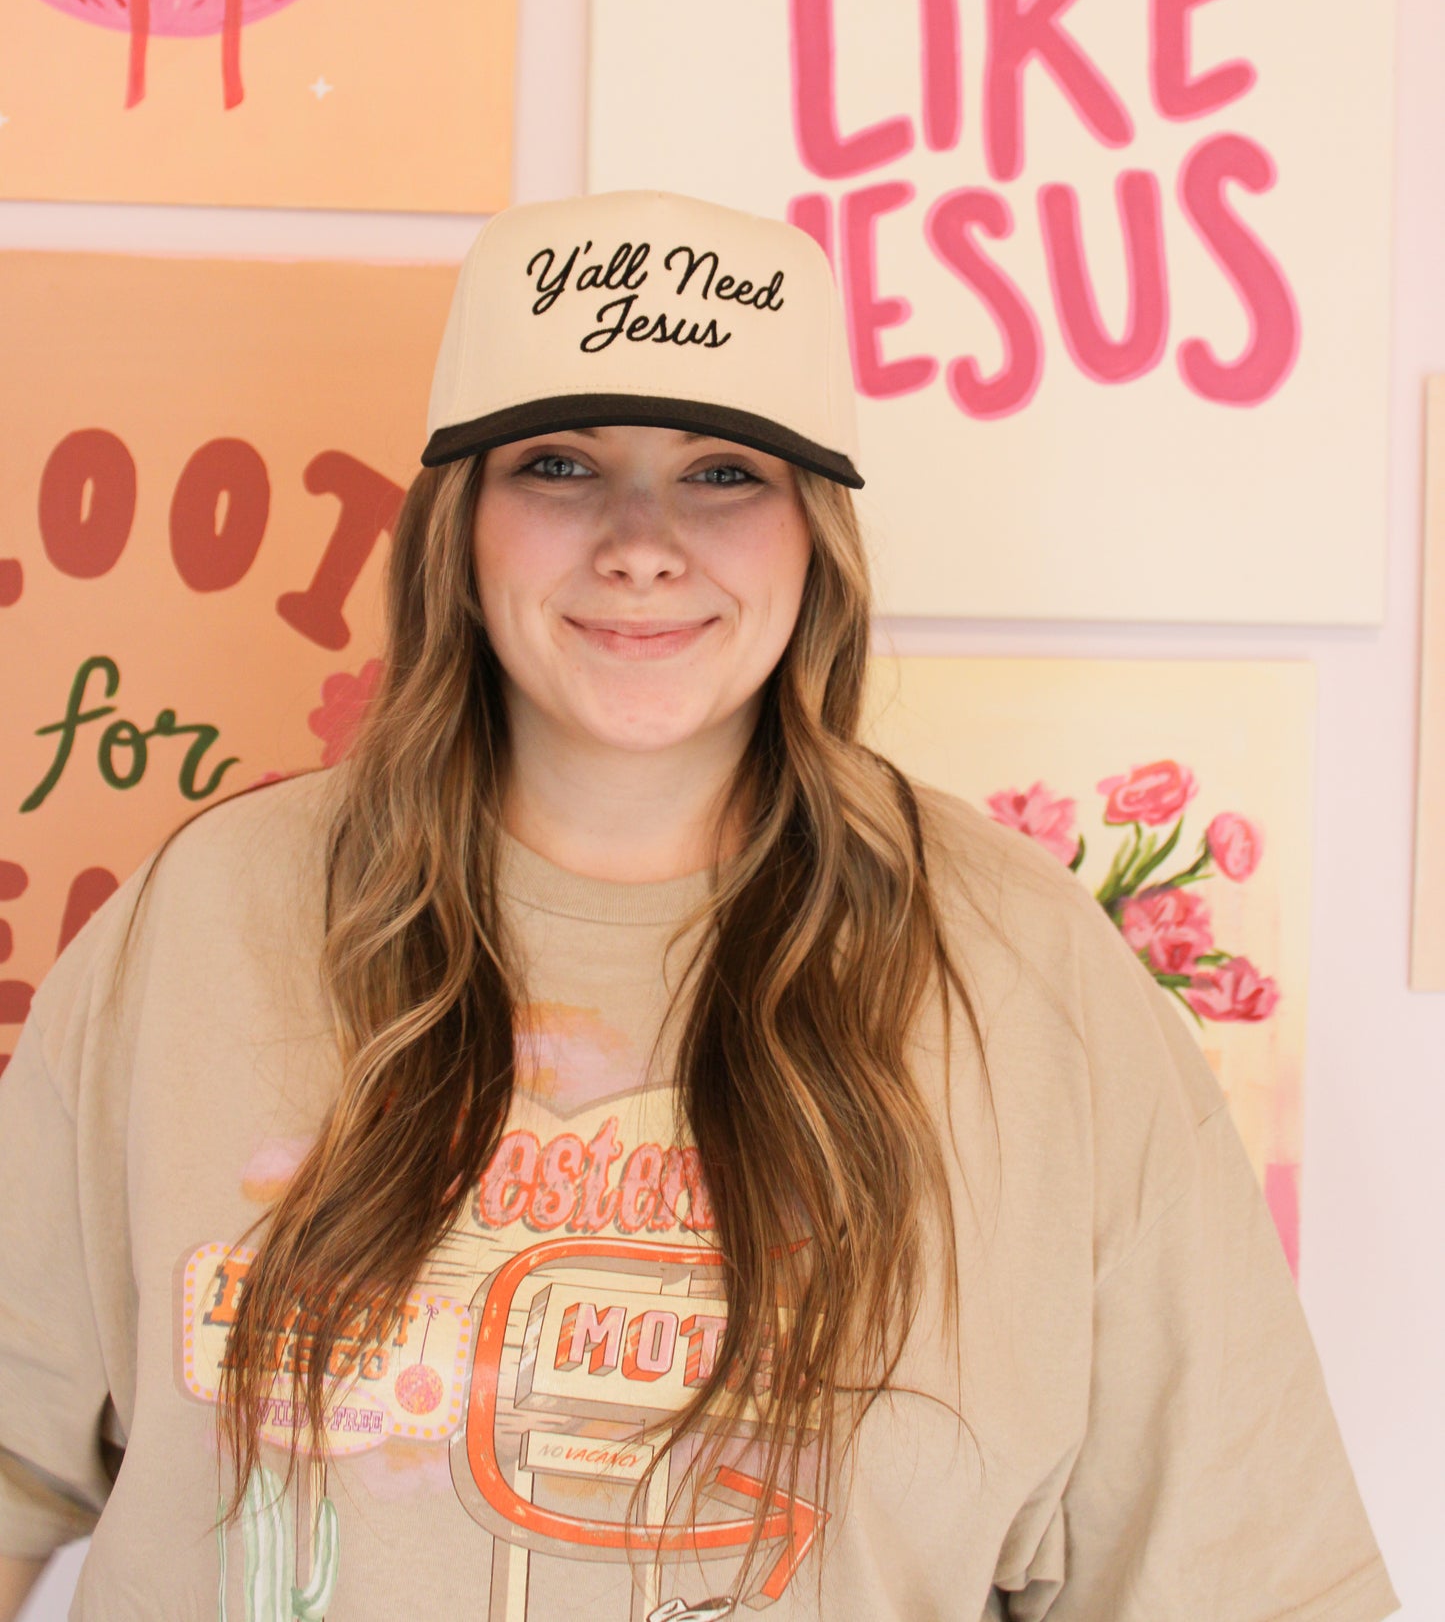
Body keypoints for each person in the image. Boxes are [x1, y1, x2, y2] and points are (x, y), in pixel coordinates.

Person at [0, 190, 1399, 1622]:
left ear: (817, 530)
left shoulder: (1027, 975)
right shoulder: (207, 920)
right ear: (458, 524)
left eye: (725, 472)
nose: (641, 542)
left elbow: (1252, 1584)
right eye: (558, 462)